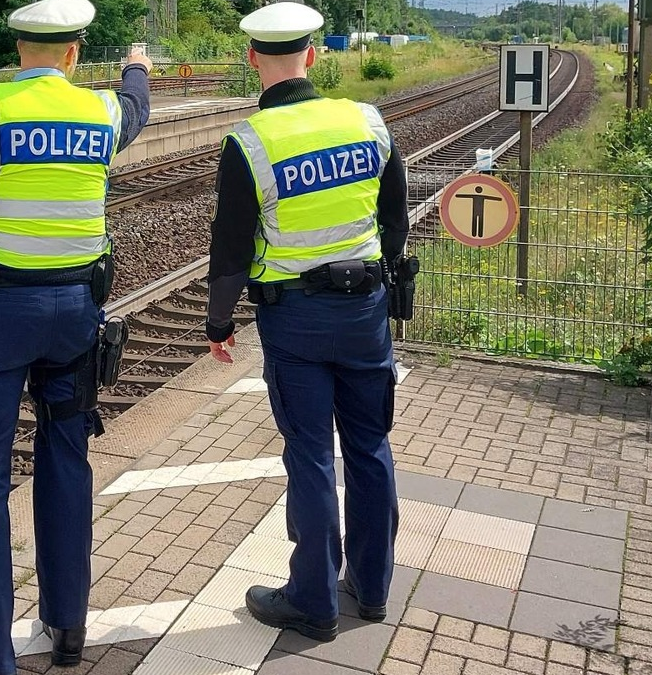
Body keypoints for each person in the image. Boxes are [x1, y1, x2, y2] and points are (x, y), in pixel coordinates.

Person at [0, 0, 152, 671]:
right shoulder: (102, 114)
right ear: (73, 52)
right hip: (76, 316)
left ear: (19, 50)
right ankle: (68, 629)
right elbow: (135, 107)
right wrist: (136, 69)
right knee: (66, 456)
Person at [204, 2, 409, 643]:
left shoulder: (250, 143)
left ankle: (313, 601)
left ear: (252, 60)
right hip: (366, 310)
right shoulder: (367, 121)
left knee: (312, 455)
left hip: (293, 321)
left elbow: (231, 247)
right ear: (313, 57)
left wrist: (217, 323)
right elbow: (395, 219)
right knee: (371, 447)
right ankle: (371, 589)